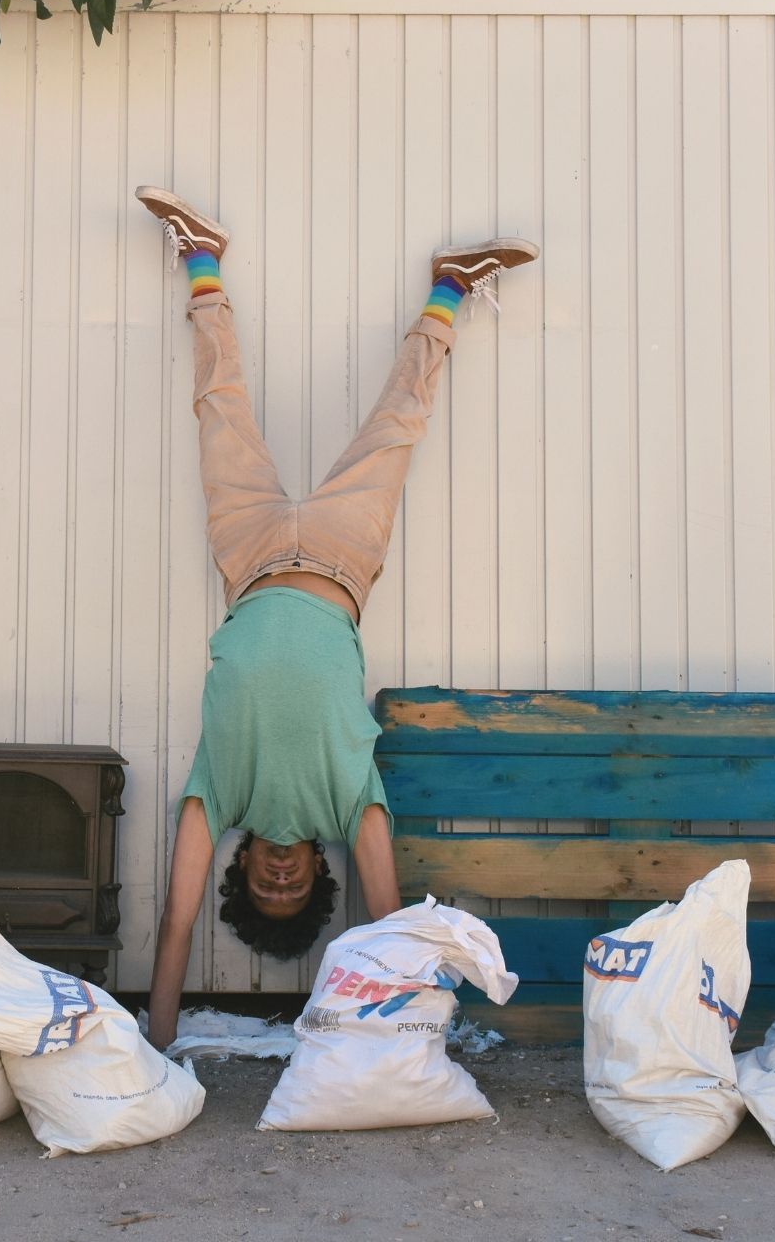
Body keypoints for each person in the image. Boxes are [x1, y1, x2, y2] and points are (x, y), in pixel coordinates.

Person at [136, 186, 539, 1051]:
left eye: (265, 882)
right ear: (321, 872)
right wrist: (404, 1051)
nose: (280, 871)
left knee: (219, 410)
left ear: (239, 869)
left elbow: (174, 931)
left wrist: (153, 1056)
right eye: (293, 884)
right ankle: (451, 290)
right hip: (339, 561)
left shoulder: (218, 792)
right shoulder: (351, 803)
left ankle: (200, 259)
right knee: (400, 425)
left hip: (247, 559)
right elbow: (390, 925)